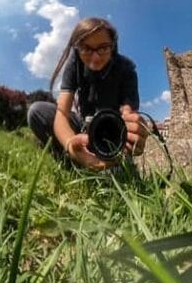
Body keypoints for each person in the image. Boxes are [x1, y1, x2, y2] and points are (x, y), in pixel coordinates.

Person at [27, 17, 147, 170]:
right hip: (82, 127)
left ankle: (111, 164)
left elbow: (128, 114)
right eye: (86, 49)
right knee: (37, 112)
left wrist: (132, 133)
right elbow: (62, 113)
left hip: (113, 134)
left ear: (113, 46)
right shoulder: (75, 60)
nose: (95, 58)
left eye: (103, 48)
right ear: (77, 48)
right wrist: (71, 145)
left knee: (117, 173)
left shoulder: (127, 70)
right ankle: (70, 162)